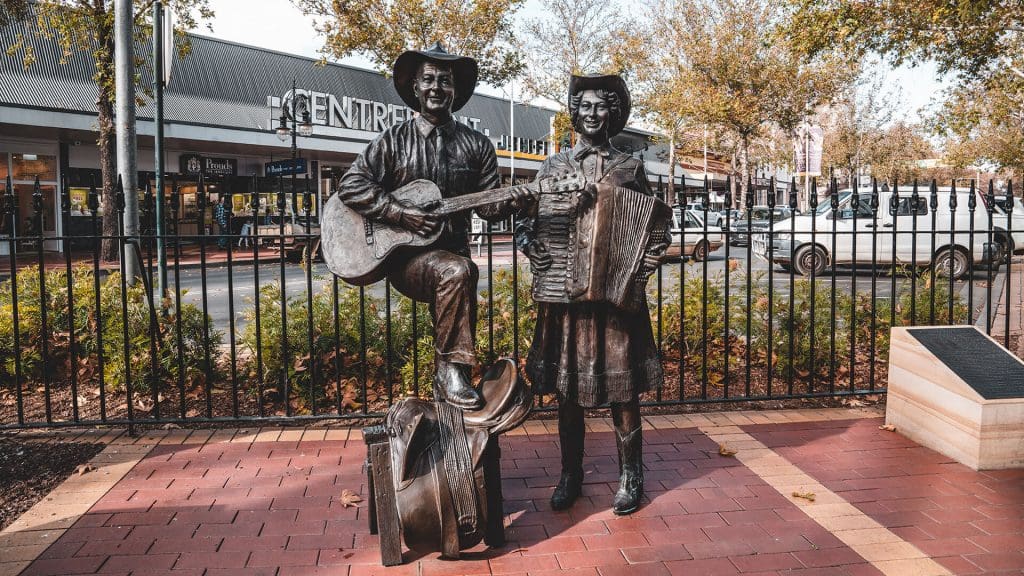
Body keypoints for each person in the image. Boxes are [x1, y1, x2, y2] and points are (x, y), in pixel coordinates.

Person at [337, 43, 525, 410]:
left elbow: (490, 208)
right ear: (415, 88)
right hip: (406, 259)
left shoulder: (477, 145)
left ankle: (449, 372)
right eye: (428, 80)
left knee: (457, 269)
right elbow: (351, 185)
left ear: (456, 90)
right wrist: (398, 213)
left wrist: (520, 199)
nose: (436, 87)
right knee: (457, 271)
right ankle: (451, 368)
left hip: (454, 255)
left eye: (445, 81)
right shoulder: (393, 140)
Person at [515, 74, 668, 515]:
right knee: (568, 391)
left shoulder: (630, 167)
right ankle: (570, 474)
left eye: (603, 106)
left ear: (614, 113)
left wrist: (643, 265)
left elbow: (655, 226)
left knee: (624, 391)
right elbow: (528, 220)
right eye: (585, 106)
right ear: (574, 112)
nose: (593, 113)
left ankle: (631, 475)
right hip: (564, 296)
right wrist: (532, 246)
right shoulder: (554, 166)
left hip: (615, 299)